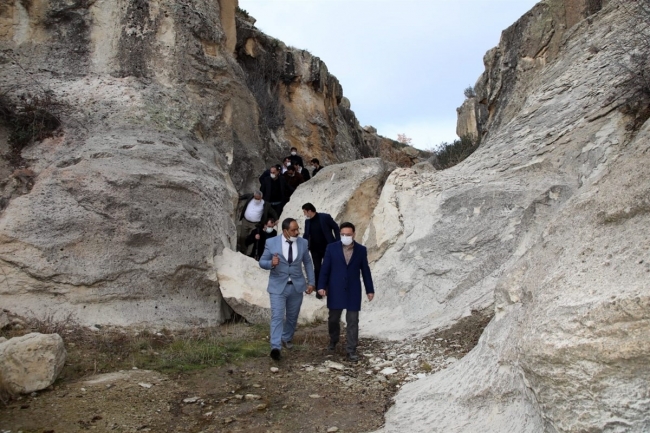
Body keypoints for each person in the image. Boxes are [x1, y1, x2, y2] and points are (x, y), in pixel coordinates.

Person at [317, 222, 374, 362]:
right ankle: (334, 339)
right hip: (335, 288)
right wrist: (321, 286)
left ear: (354, 234)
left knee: (353, 320)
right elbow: (325, 269)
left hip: (353, 289)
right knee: (333, 319)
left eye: (348, 235)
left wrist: (369, 289)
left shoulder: (361, 250)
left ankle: (351, 350)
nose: (345, 237)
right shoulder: (331, 248)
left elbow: (365, 271)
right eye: (342, 234)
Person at [259, 218, 315, 361]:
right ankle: (275, 347)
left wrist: (311, 282)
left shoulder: (303, 243)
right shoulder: (271, 242)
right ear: (285, 231)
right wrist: (271, 263)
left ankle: (287, 338)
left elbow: (308, 263)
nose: (297, 232)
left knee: (292, 316)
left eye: (298, 229)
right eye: (293, 230)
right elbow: (262, 262)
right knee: (277, 316)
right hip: (278, 286)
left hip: (296, 286)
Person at [301, 203, 340, 299]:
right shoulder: (308, 222)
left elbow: (335, 227)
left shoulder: (325, 217)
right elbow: (306, 235)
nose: (304, 214)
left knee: (328, 268)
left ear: (309, 211)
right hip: (314, 250)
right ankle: (319, 289)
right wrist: (304, 246)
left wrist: (337, 241)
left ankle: (329, 288)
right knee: (317, 269)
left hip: (327, 248)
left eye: (305, 212)